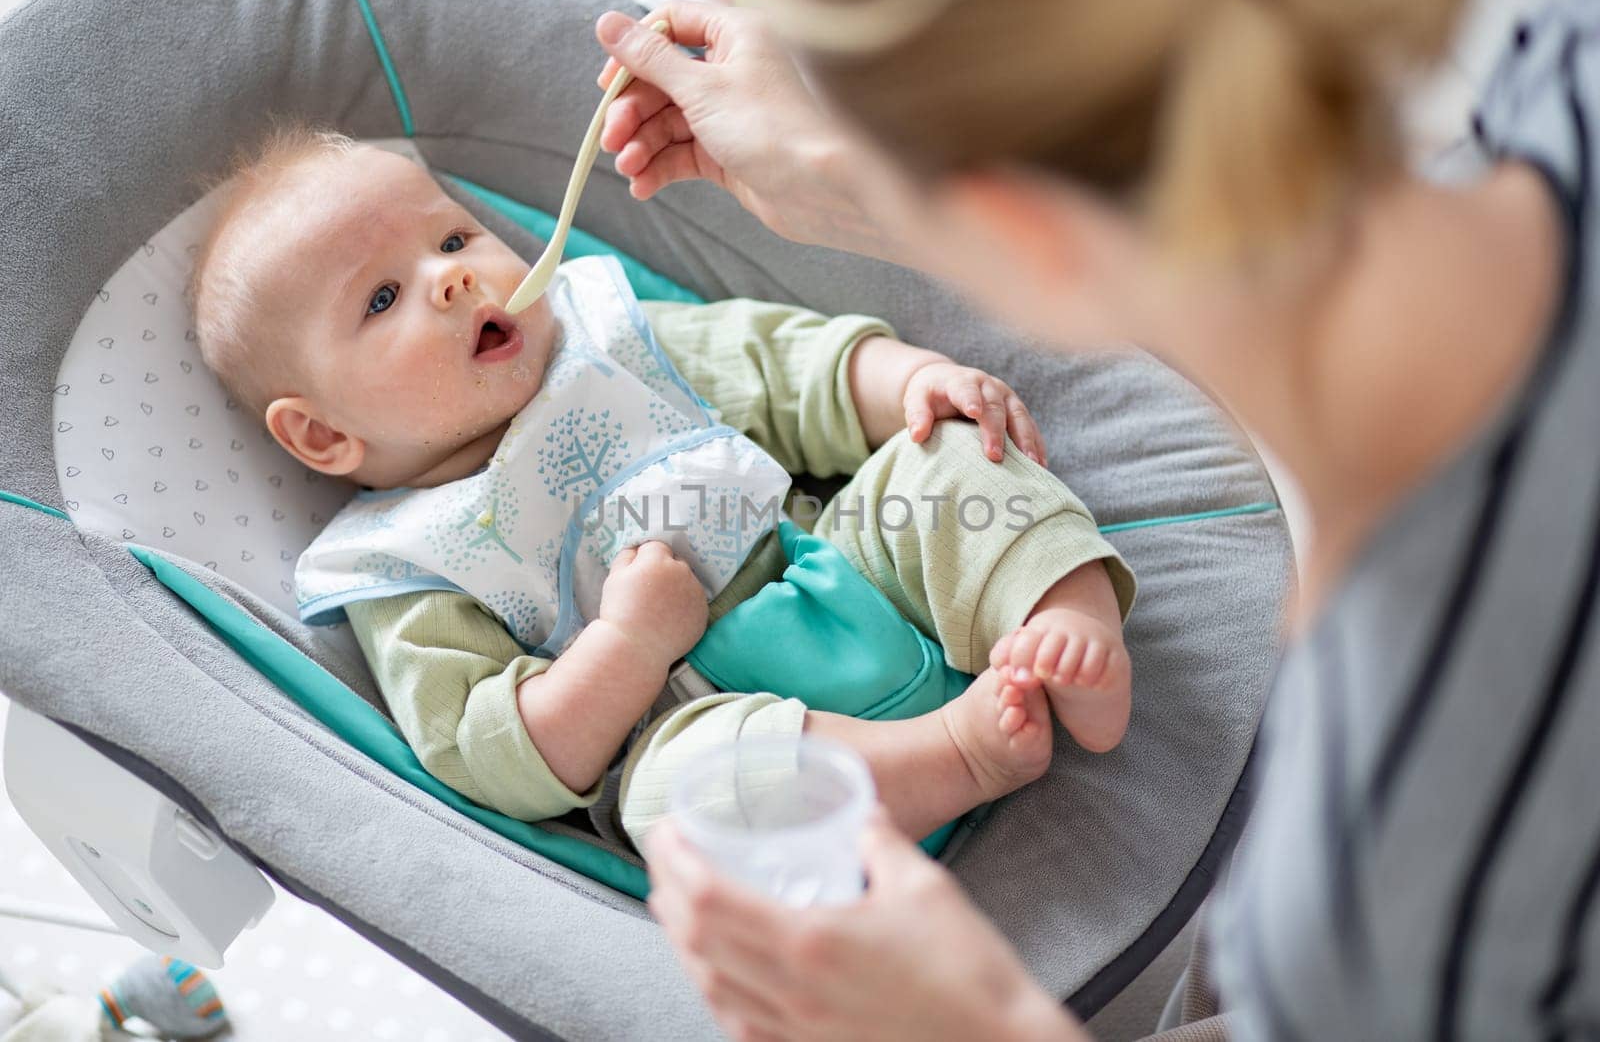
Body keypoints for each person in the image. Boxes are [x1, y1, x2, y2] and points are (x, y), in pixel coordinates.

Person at [602, 0, 1600, 1038]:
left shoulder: (1386, 895)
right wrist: (858, 178)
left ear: (1018, 228)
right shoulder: (1568, 58)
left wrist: (980, 1023)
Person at [188, 129, 1137, 853]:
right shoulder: (403, 563)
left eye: (452, 236)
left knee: (945, 457)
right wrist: (630, 643)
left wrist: (910, 381)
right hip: (703, 714)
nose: (452, 279)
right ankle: (953, 758)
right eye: (382, 298)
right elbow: (493, 753)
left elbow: (783, 365)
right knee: (671, 795)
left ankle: (1061, 615)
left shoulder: (608, 340)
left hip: (843, 563)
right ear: (320, 433)